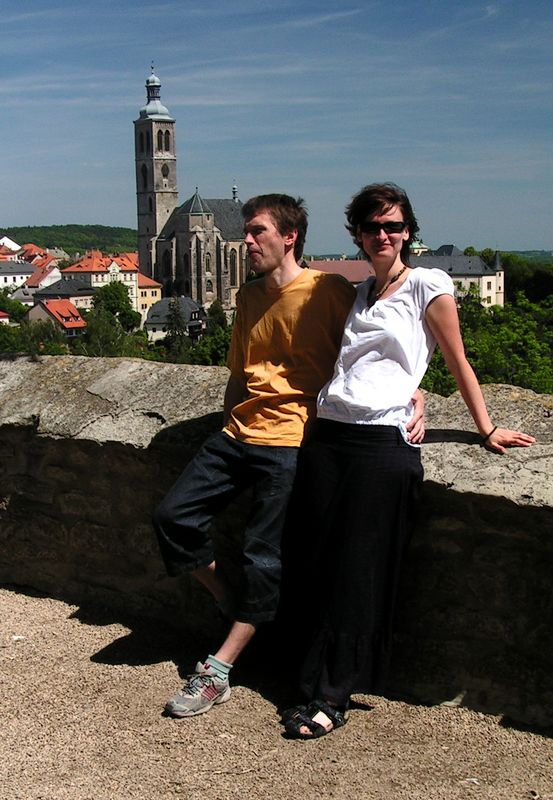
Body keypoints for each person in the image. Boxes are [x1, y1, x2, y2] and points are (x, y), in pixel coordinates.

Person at [281, 182, 535, 739]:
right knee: (317, 560)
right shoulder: (358, 292)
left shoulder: (428, 284)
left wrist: (485, 426)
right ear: (357, 235)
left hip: (379, 446)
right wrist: (413, 390)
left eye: (393, 226)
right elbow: (366, 366)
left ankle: (332, 694)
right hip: (329, 437)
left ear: (408, 232)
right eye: (372, 227)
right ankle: (306, 675)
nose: (382, 235)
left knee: (358, 571)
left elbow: (455, 358)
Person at [153, 193, 361, 718]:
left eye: (257, 232)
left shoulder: (329, 290)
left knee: (262, 553)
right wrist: (228, 426)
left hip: (291, 440)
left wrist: (415, 394)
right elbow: (237, 374)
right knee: (172, 517)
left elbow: (371, 354)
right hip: (238, 433)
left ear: (289, 237)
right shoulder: (247, 298)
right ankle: (229, 599)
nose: (246, 241)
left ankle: (218, 670)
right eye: (246, 232)